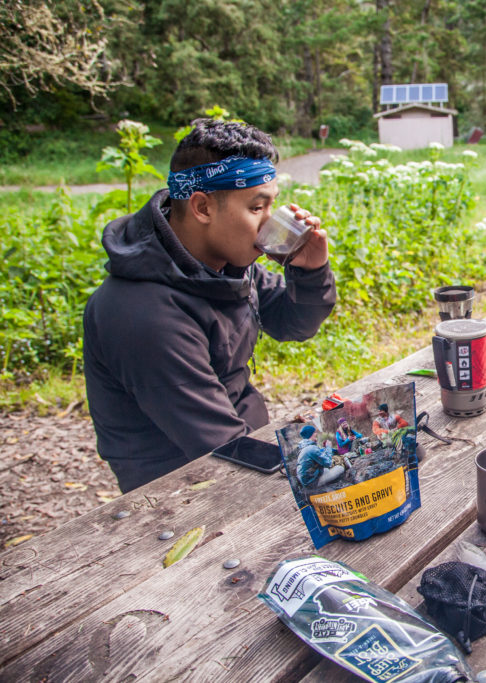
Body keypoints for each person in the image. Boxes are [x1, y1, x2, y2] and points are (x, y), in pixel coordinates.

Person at [84, 119, 337, 493]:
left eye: (272, 205)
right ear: (202, 207)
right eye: (256, 208)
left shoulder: (225, 265)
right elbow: (220, 444)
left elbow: (292, 324)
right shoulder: (142, 314)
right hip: (183, 490)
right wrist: (321, 462)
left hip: (245, 450)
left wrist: (311, 270)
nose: (270, 223)